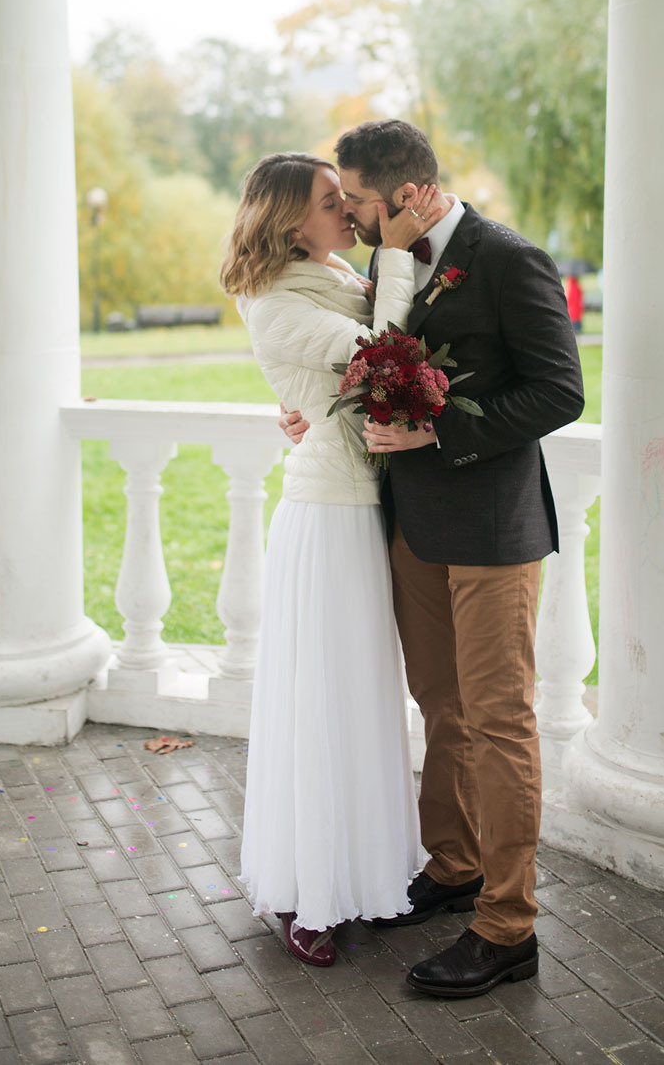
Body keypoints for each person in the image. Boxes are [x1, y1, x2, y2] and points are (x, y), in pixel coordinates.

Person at [280, 120, 585, 999]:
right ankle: (452, 870)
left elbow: (559, 390)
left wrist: (437, 427)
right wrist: (314, 410)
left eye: (361, 204)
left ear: (407, 196)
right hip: (412, 528)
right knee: (442, 708)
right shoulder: (388, 266)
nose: (355, 218)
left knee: (497, 721)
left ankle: (507, 925)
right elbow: (375, 361)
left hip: (492, 530)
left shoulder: (510, 258)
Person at [219, 151, 447, 968]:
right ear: (288, 219)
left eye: (344, 198)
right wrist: (394, 253)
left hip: (364, 505)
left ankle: (363, 874)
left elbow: (343, 380)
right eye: (328, 201)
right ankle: (305, 894)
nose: (346, 209)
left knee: (360, 698)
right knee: (320, 700)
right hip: (326, 515)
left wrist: (376, 257)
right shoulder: (274, 298)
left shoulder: (332, 268)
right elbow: (383, 351)